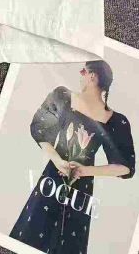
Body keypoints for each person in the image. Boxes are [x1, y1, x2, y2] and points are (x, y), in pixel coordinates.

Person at [10, 61, 135, 253]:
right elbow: (39, 128)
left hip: (81, 189)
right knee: (32, 233)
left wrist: (84, 171)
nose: (80, 74)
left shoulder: (117, 121)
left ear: (92, 76)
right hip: (53, 177)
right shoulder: (63, 96)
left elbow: (126, 167)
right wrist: (57, 160)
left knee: (69, 241)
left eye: (83, 70)